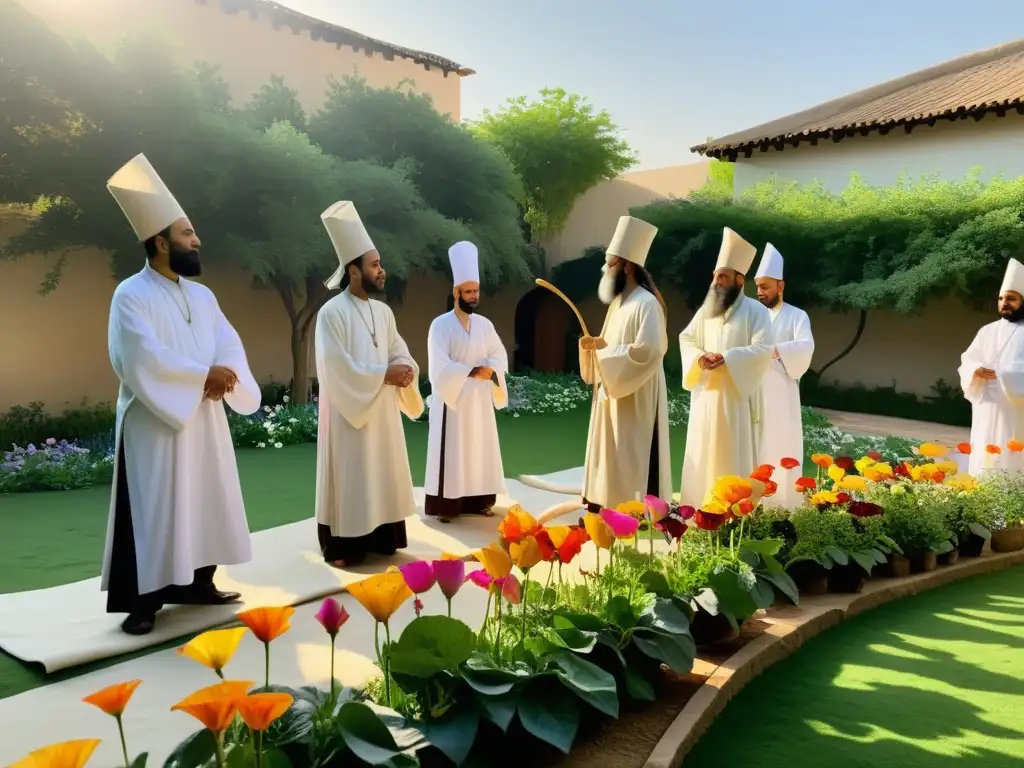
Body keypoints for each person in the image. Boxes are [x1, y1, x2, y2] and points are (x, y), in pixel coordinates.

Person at [100, 154, 261, 636]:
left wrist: (225, 373)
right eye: (188, 234)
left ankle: (198, 583)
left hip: (205, 417)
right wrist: (200, 377)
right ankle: (143, 602)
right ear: (161, 241)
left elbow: (228, 341)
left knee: (204, 496)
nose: (197, 241)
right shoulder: (130, 294)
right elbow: (137, 356)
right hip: (155, 421)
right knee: (154, 505)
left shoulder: (202, 296)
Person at [314, 201, 424, 568]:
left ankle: (383, 537)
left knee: (380, 471)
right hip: (350, 416)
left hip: (382, 413)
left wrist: (406, 369)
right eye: (375, 265)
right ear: (354, 270)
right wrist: (384, 375)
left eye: (380, 264)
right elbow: (336, 369)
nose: (382, 271)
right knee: (354, 473)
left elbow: (399, 350)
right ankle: (345, 546)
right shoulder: (331, 313)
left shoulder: (383, 311)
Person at [579, 215, 673, 511]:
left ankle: (634, 507)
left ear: (628, 265)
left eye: (610, 262)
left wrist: (605, 357)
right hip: (614, 388)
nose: (604, 268)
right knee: (612, 451)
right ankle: (604, 501)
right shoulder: (620, 303)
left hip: (638, 393)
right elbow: (612, 343)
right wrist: (593, 347)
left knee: (633, 451)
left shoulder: (646, 303)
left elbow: (649, 350)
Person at [679, 227, 773, 509]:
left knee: (733, 458)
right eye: (714, 276)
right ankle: (700, 512)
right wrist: (699, 357)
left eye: (722, 276)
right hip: (705, 399)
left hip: (735, 402)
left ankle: (734, 514)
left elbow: (763, 349)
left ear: (739, 280)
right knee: (703, 454)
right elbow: (687, 337)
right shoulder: (706, 310)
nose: (716, 282)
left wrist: (728, 357)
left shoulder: (756, 312)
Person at [424, 241, 509, 522]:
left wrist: (493, 372)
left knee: (479, 449)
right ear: (456, 292)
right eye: (468, 292)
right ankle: (447, 506)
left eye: (476, 291)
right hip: (454, 400)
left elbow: (498, 354)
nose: (473, 297)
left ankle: (479, 500)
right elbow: (439, 365)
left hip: (479, 402)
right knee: (454, 451)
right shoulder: (440, 325)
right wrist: (472, 372)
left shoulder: (485, 325)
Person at [754, 243, 815, 507]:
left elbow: (805, 347)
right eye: (757, 287)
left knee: (780, 445)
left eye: (765, 287)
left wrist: (776, 350)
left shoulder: (797, 316)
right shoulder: (752, 316)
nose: (760, 292)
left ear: (780, 286)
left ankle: (783, 505)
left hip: (782, 395)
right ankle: (753, 500)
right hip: (754, 393)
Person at [957, 257, 1024, 476]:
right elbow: (968, 359)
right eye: (1001, 298)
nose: (1005, 303)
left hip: (1014, 407)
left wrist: (1003, 374)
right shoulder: (987, 330)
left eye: (1011, 298)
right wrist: (975, 370)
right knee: (984, 454)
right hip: (986, 404)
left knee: (1011, 454)